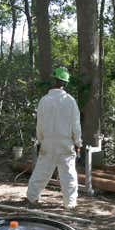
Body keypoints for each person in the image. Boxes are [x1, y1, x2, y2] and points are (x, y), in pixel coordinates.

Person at [26, 67, 81, 209]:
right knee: (68, 175)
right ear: (65, 83)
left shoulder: (44, 100)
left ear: (54, 80)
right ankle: (70, 204)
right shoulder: (70, 101)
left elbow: (39, 123)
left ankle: (32, 198)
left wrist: (40, 140)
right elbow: (76, 125)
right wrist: (78, 142)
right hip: (65, 143)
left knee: (41, 172)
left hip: (48, 142)